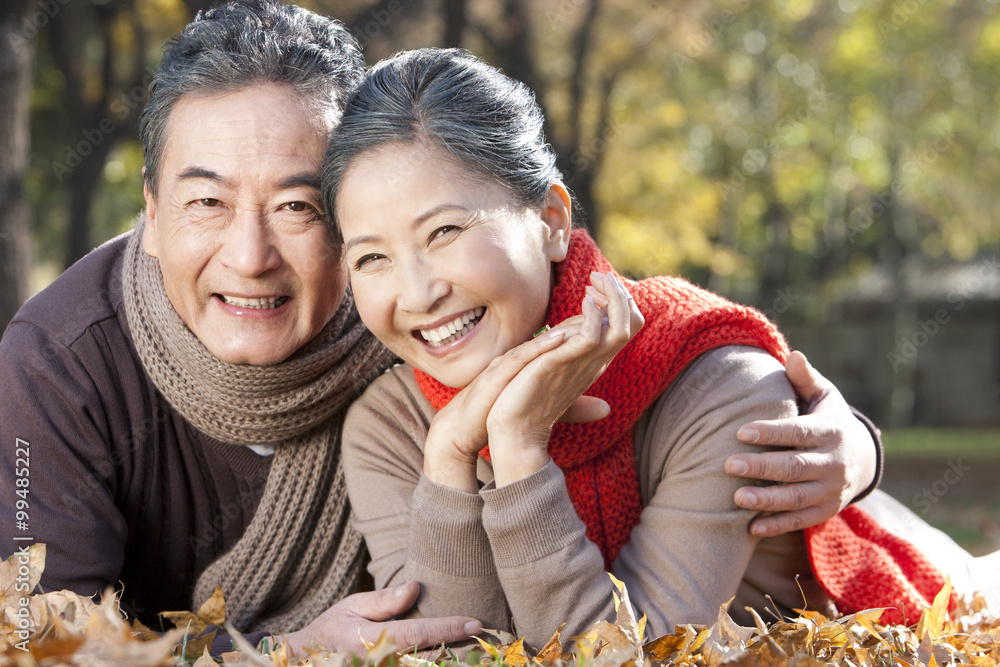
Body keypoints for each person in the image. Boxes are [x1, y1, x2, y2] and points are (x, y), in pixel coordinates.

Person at [0, 0, 879, 655]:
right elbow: (38, 638)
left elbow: (725, 406)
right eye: (205, 201)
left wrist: (858, 450)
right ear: (149, 214)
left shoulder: (401, 329)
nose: (250, 254)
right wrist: (287, 655)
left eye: (299, 207)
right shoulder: (61, 364)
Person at [322, 48, 995, 650]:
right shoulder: (387, 425)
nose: (415, 293)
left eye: (444, 230)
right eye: (372, 257)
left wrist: (520, 444)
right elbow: (447, 648)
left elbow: (631, 653)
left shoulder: (717, 379)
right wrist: (449, 457)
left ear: (552, 221)